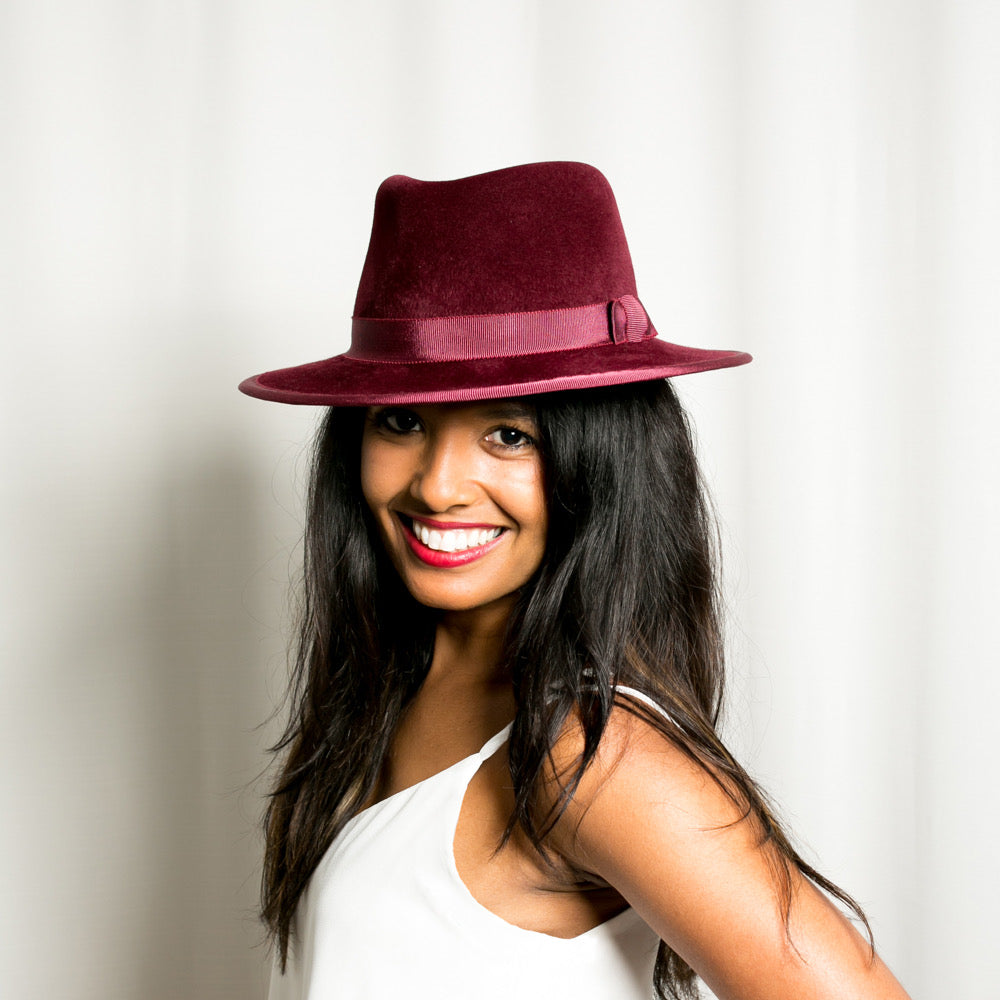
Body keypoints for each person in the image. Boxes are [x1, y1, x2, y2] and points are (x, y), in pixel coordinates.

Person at [240, 162, 910, 1000]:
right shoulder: (393, 690)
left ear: (607, 461)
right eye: (403, 422)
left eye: (510, 435)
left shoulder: (593, 757)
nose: (439, 485)